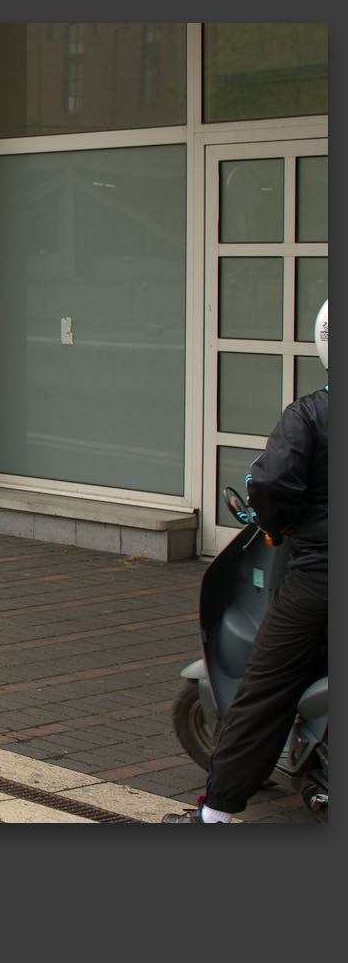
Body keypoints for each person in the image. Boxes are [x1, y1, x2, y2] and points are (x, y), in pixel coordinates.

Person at [166, 300, 328, 823]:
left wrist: (278, 530)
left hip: (319, 580)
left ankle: (215, 817)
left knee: (265, 689)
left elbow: (271, 484)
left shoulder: (310, 414)